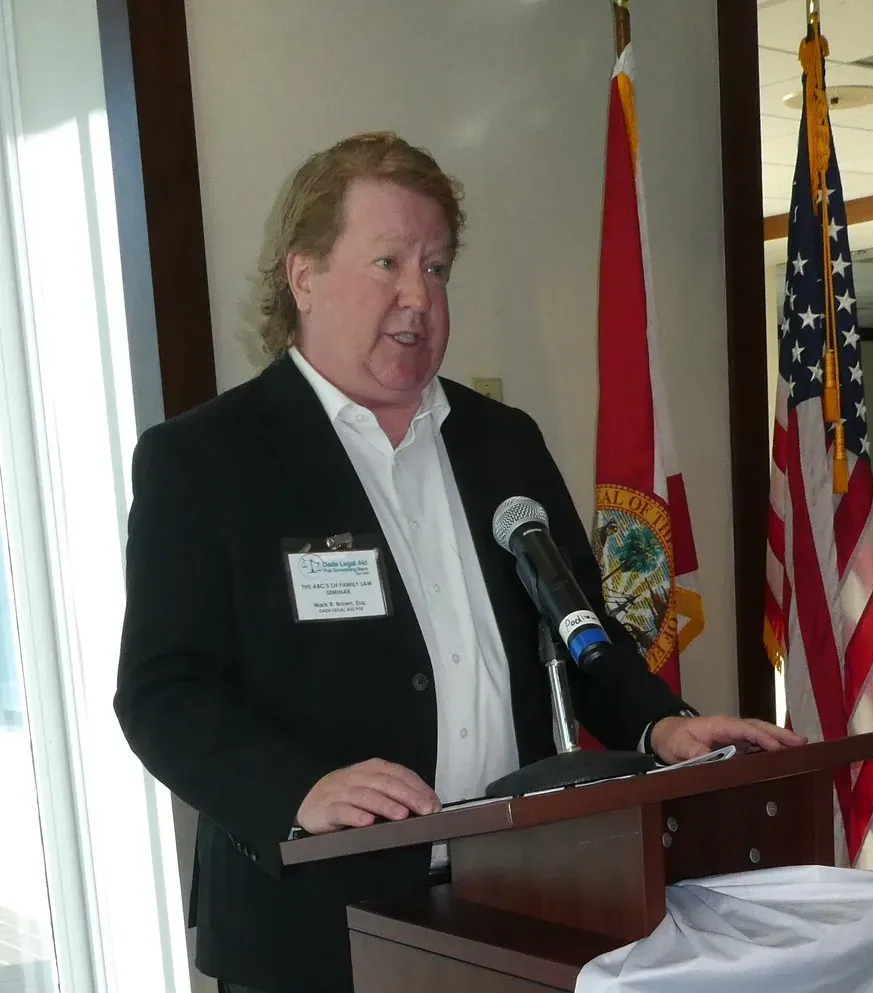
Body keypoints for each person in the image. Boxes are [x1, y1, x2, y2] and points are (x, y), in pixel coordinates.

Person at [114, 131, 802, 993]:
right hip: (315, 928)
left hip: (516, 895)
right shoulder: (207, 460)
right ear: (303, 275)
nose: (418, 296)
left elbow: (580, 627)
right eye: (388, 262)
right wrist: (296, 791)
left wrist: (659, 727)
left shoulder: (501, 441)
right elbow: (161, 691)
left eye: (436, 268)